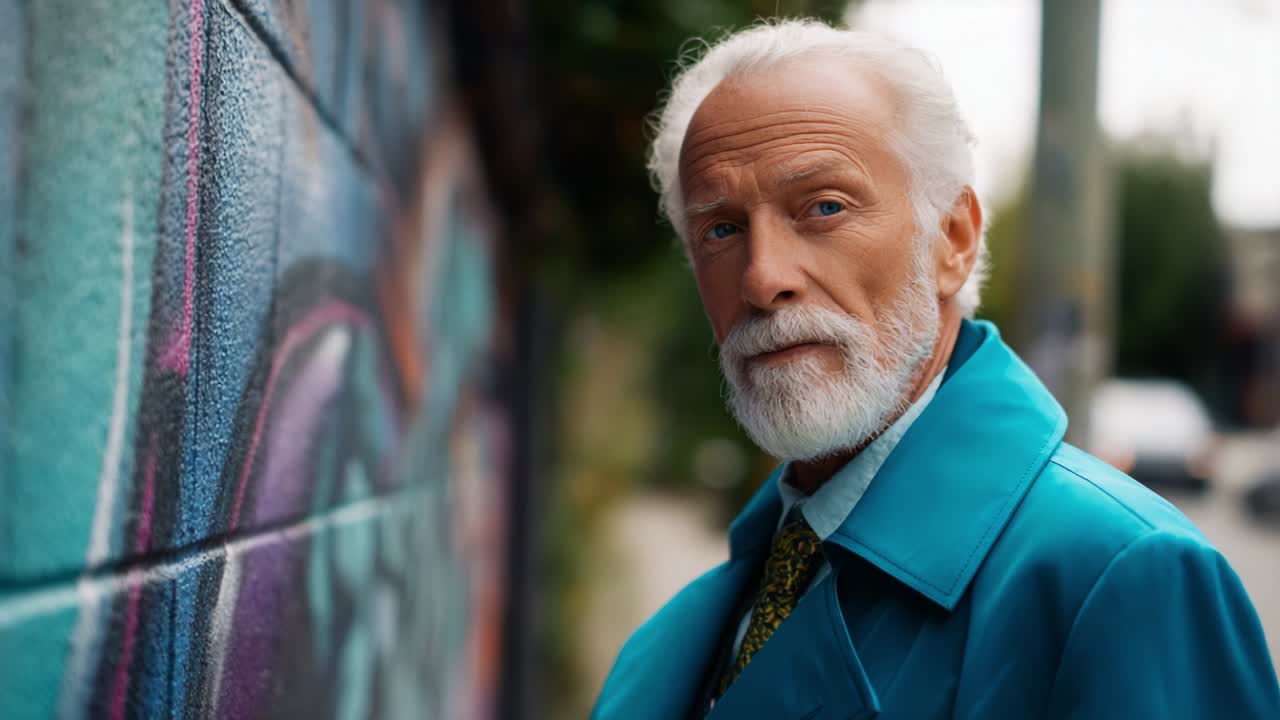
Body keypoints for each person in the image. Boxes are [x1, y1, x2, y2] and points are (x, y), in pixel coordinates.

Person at [592, 19, 1280, 720]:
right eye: (721, 229)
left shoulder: (1119, 576)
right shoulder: (711, 610)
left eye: (824, 207)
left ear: (951, 240)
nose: (764, 277)